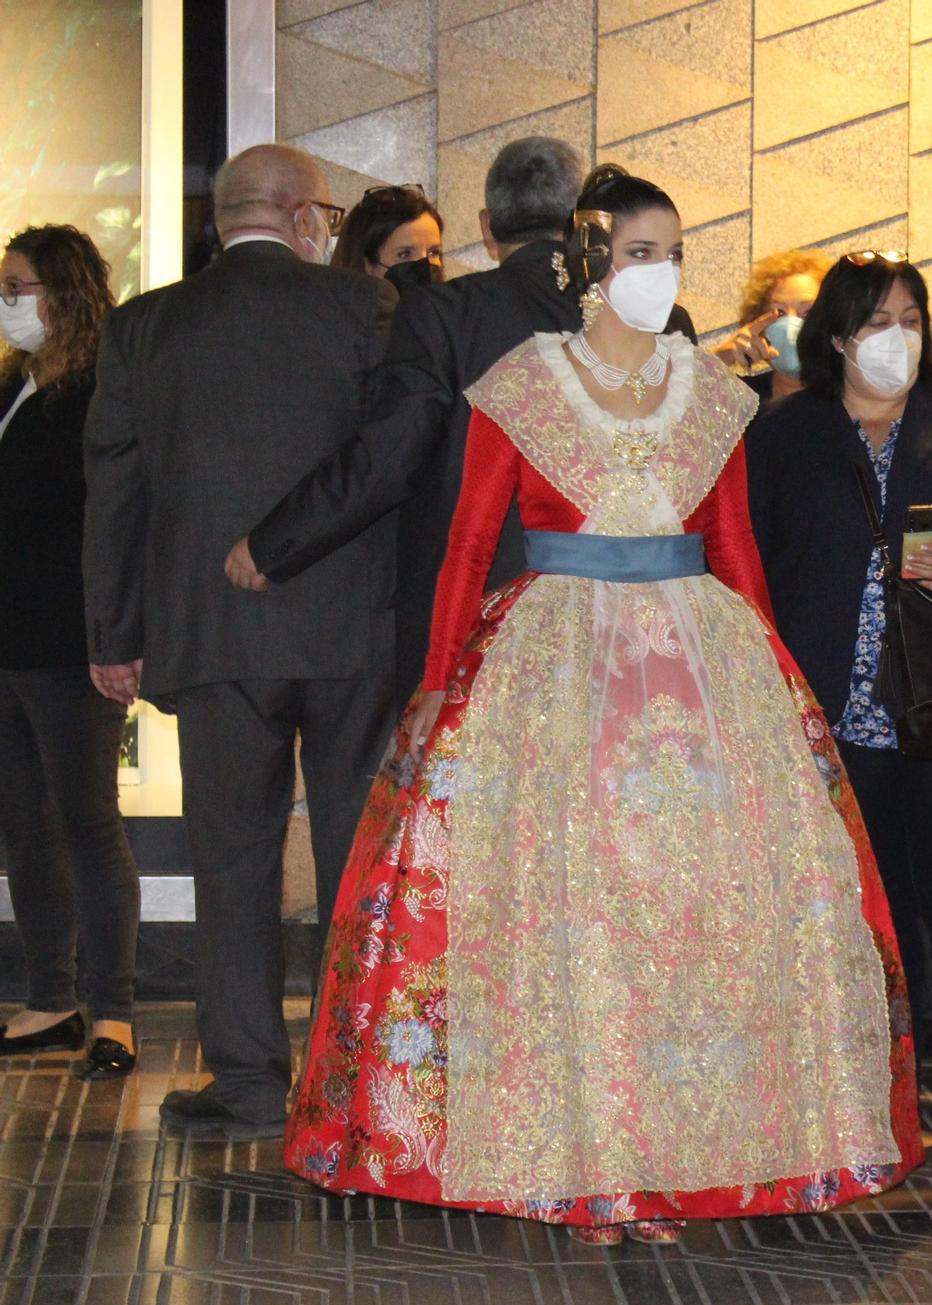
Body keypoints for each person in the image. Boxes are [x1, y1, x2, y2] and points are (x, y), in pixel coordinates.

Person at [283, 166, 922, 1245]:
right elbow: (468, 544)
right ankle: (580, 1155)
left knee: (698, 917)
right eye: (638, 253)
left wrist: (771, 679)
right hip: (554, 663)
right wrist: (441, 684)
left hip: (697, 666)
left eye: (671, 252)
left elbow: (734, 546)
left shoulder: (711, 391)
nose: (658, 272)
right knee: (570, 909)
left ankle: (681, 1148)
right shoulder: (524, 384)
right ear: (588, 262)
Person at [81, 143, 402, 1138]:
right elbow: (397, 460)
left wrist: (116, 633)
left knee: (231, 859)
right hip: (352, 631)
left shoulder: (144, 327)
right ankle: (361, 1086)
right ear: (306, 217)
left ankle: (251, 1087)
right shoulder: (368, 311)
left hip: (212, 635)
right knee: (361, 857)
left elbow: (114, 491)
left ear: (222, 220)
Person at [226, 140, 698, 702]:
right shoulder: (663, 322)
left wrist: (274, 544)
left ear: (487, 226)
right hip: (639, 623)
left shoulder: (444, 314)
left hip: (475, 619)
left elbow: (390, 456)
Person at [746, 251, 932, 1064]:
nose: (898, 337)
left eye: (912, 321)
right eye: (879, 321)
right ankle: (872, 1073)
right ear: (837, 335)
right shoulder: (783, 432)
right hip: (833, 706)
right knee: (859, 901)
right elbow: (750, 559)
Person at [0, 225, 141, 1080]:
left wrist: (119, 633)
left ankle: (114, 1007)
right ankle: (50, 994)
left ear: (62, 292)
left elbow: (115, 521)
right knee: (24, 823)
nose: (9, 302)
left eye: (17, 285)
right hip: (9, 639)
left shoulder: (97, 390)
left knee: (87, 818)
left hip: (70, 641)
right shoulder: (13, 383)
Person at [714, 248, 830, 405]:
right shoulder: (741, 400)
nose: (791, 326)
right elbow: (676, 397)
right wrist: (723, 355)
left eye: (807, 312)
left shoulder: (852, 401)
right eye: (779, 313)